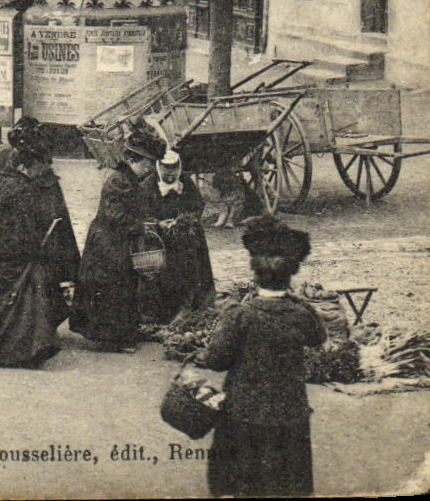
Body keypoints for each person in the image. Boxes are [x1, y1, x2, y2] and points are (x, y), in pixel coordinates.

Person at [188, 217, 325, 497]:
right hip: (290, 415)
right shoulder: (301, 314)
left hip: (244, 415)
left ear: (255, 275)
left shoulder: (240, 315)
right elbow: (318, 337)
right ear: (290, 275)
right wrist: (296, 300)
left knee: (244, 486)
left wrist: (202, 354)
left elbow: (216, 360)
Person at [0, 118, 81, 368]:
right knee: (25, 300)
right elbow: (28, 225)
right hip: (15, 252)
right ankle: (19, 351)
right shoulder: (25, 187)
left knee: (0, 300)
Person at [71, 122, 162, 351]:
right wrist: (140, 226)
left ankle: (121, 334)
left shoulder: (129, 179)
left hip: (118, 239)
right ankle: (111, 339)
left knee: (122, 286)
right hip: (107, 241)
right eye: (147, 163)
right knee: (112, 288)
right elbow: (114, 215)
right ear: (132, 160)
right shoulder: (118, 181)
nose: (150, 168)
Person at [137, 148, 215, 325]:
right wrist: (158, 223)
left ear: (179, 167)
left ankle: (195, 305)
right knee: (164, 274)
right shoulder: (148, 186)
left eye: (173, 168)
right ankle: (166, 312)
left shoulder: (186, 182)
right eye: (166, 168)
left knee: (192, 266)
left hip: (185, 235)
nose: (170, 172)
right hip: (160, 239)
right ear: (159, 167)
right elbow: (141, 213)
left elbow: (197, 205)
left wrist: (184, 221)